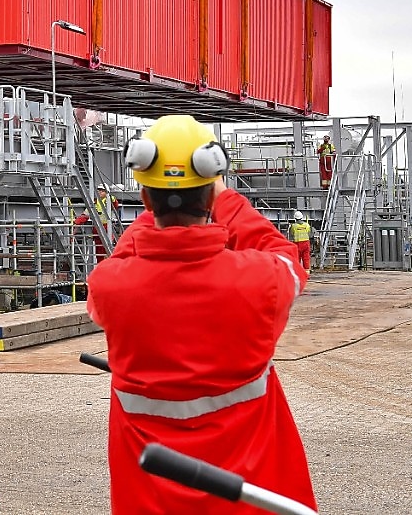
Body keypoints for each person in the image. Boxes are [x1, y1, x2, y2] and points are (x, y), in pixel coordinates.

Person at [87, 115, 314, 515]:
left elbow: (125, 254)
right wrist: (225, 199)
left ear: (144, 197)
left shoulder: (112, 287)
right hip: (248, 501)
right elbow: (286, 255)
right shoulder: (259, 281)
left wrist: (160, 211)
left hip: (148, 501)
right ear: (209, 197)